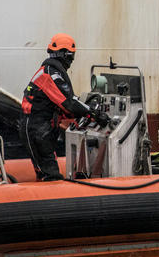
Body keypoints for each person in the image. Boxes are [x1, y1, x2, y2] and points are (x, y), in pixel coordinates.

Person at [19, 33, 111, 181]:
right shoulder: (51, 75)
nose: (72, 61)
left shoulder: (49, 72)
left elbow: (60, 107)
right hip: (37, 130)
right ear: (65, 55)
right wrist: (94, 114)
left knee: (45, 171)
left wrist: (82, 114)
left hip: (39, 128)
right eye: (71, 56)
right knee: (50, 176)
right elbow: (69, 103)